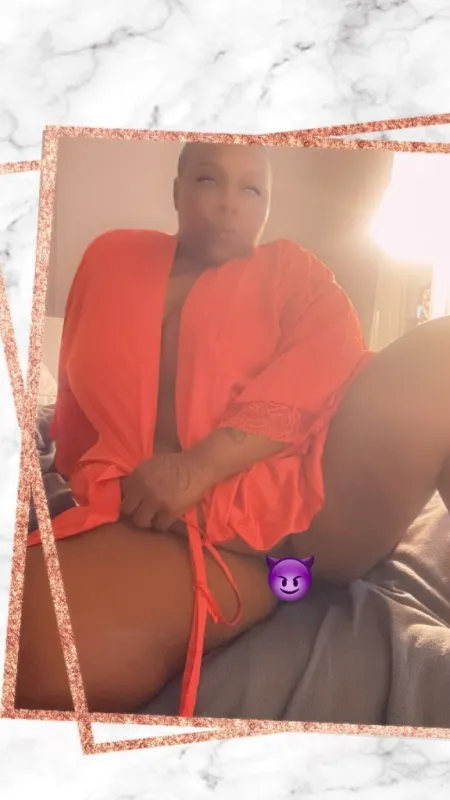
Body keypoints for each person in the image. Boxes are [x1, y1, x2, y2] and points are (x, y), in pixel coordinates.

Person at [17, 142, 450, 717]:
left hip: (303, 504)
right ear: (177, 190)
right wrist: (98, 485)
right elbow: (76, 398)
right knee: (36, 642)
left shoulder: (294, 271)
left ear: (267, 204)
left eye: (252, 189)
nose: (230, 204)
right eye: (208, 181)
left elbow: (326, 363)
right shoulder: (111, 259)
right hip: (165, 525)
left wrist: (200, 466)